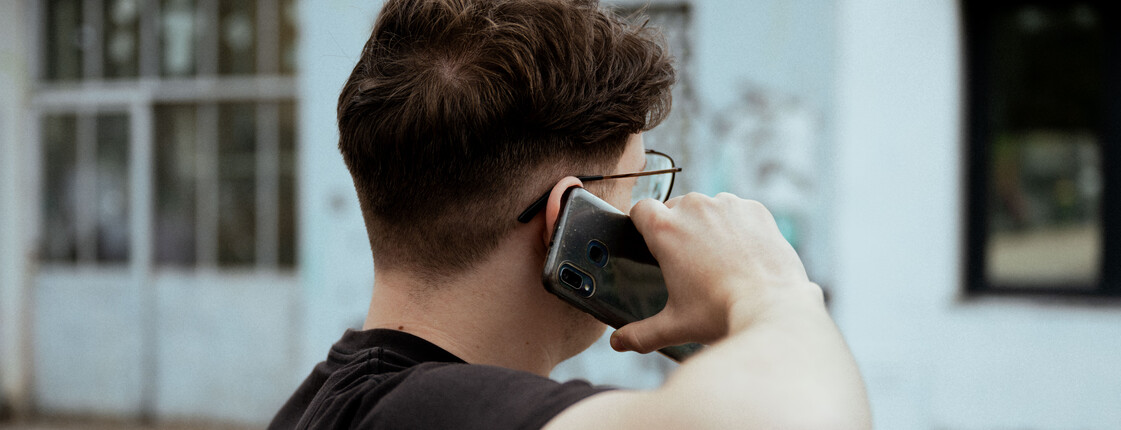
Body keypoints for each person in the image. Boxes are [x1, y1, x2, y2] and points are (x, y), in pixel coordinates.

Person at [270, 0, 871, 428]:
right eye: (637, 188)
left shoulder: (326, 402)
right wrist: (767, 290)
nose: (648, 215)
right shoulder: (435, 410)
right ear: (567, 218)